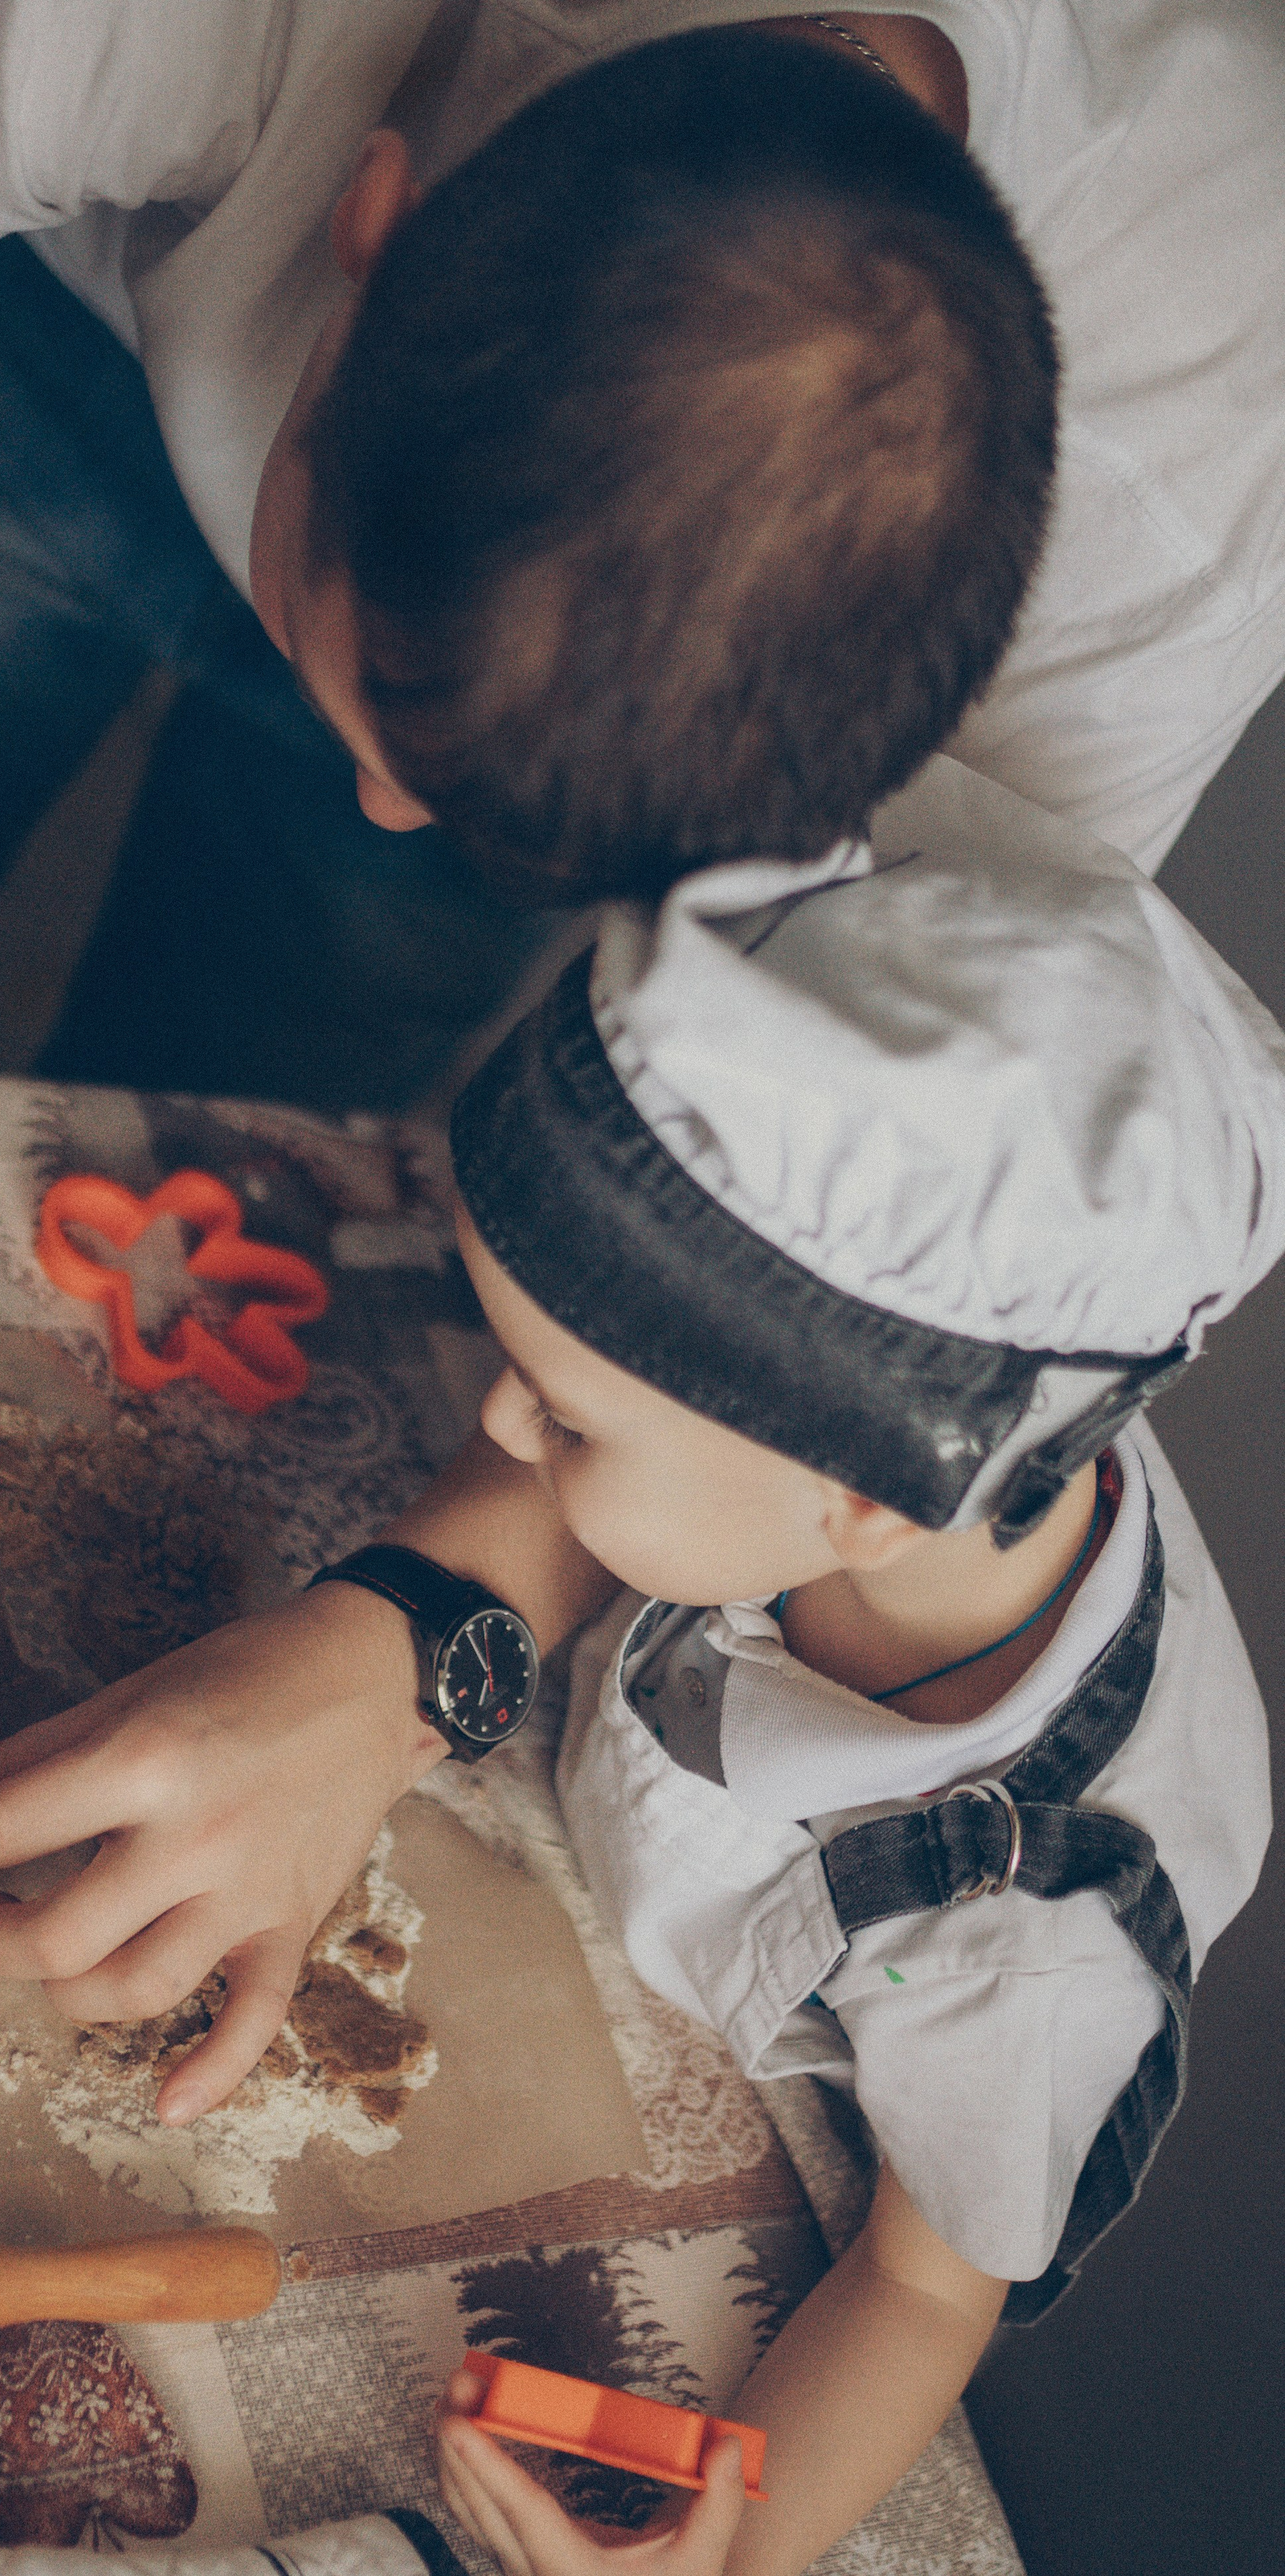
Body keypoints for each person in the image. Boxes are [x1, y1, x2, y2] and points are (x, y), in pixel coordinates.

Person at [0, 0, 1282, 1978]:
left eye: (502, 828)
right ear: (367, 224)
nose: (384, 809)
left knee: (263, 1094)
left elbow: (821, 1250)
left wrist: (417, 1636)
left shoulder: (1193, 461)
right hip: (48, 340)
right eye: (382, 725)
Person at [394, 763, 1277, 2572]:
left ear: (863, 1501)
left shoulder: (1036, 1955)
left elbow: (925, 2291)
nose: (495, 1423)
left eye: (560, 1414)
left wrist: (725, 2550)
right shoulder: (944, 1425)